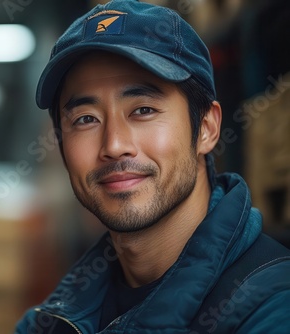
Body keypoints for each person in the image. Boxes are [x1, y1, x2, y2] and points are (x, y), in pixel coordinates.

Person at [15, 0, 290, 333]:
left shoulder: (272, 307)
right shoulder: (49, 323)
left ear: (206, 129)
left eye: (143, 110)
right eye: (86, 119)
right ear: (61, 145)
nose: (114, 145)